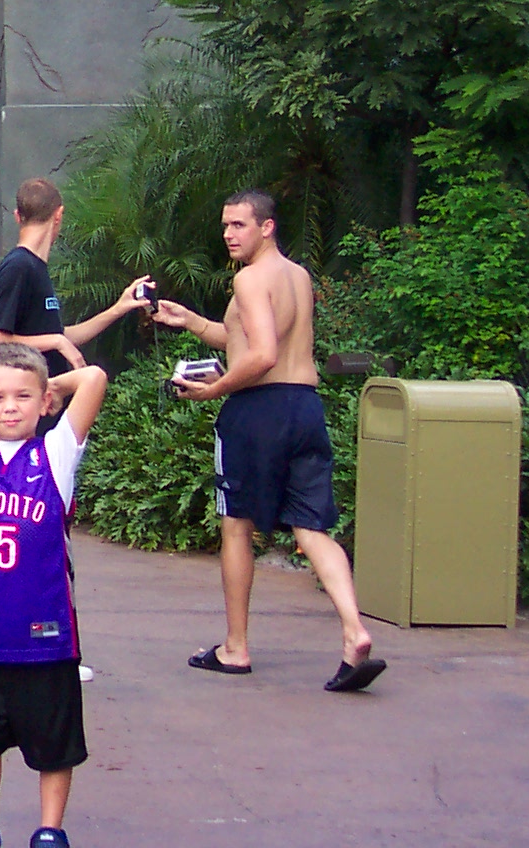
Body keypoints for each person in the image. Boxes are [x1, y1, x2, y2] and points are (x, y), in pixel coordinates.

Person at [152, 189, 386, 693]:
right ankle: (354, 631)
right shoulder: (296, 276)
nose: (229, 234)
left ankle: (235, 648)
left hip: (259, 412)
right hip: (305, 407)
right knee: (311, 526)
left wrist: (211, 390)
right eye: (225, 226)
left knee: (236, 524)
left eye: (239, 225)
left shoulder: (250, 279)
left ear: (267, 227)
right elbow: (244, 338)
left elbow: (259, 356)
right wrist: (191, 321)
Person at [0, 345, 109, 848]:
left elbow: (93, 377)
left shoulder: (55, 452)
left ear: (45, 402)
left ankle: (50, 828)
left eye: (24, 397)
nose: (11, 407)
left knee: (55, 742)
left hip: (46, 632)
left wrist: (45, 382)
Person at [0, 179, 153, 370]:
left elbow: (60, 336)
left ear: (17, 216)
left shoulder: (35, 267)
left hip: (51, 395)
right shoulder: (18, 266)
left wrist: (118, 308)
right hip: (29, 394)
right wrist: (56, 342)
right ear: (58, 215)